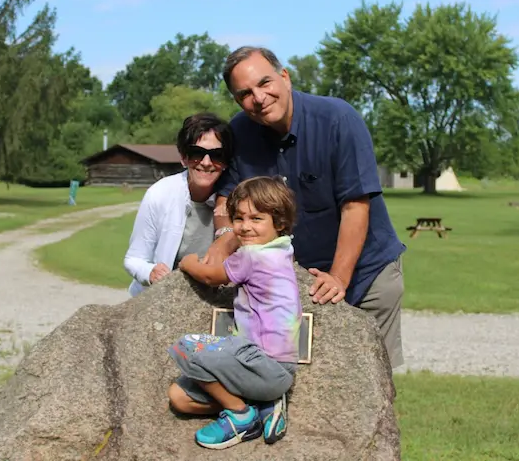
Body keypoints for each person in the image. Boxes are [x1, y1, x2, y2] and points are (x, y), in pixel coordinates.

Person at [204, 46, 407, 371]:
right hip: (290, 284)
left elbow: (356, 206)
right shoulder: (239, 132)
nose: (258, 97)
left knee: (370, 386)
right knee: (301, 383)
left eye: (265, 83)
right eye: (245, 93)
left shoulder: (339, 120)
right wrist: (225, 236)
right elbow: (227, 199)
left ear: (285, 77)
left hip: (365, 277)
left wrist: (339, 278)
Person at [167, 176, 300, 450]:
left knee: (184, 348)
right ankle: (261, 404)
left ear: (280, 223)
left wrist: (188, 261)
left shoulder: (252, 256)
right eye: (238, 218)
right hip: (274, 373)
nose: (245, 227)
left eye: (256, 218)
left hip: (260, 362)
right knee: (178, 397)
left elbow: (210, 276)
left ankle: (240, 417)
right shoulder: (283, 250)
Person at [122, 112, 233, 297]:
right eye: (197, 153)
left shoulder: (235, 200)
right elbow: (133, 259)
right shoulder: (159, 194)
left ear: (226, 161)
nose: (206, 163)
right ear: (183, 157)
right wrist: (150, 272)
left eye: (217, 155)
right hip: (157, 301)